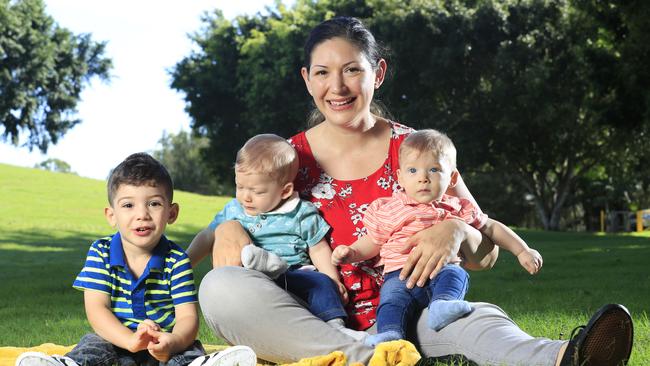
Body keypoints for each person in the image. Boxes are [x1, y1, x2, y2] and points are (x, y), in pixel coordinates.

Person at [188, 16, 633, 366]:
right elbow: (243, 214)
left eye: (351, 70)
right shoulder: (284, 159)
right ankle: (375, 355)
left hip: (414, 309)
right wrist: (228, 230)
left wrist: (456, 229)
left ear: (377, 73)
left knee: (477, 318)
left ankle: (562, 357)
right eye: (323, 73)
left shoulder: (421, 151)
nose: (337, 87)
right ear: (307, 79)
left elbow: (485, 256)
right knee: (220, 288)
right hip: (313, 316)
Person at [15, 153, 257, 366]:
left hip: (163, 342)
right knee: (92, 346)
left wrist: (172, 341)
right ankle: (68, 364)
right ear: (112, 215)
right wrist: (129, 340)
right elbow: (97, 309)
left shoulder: (177, 260)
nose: (142, 215)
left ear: (171, 213)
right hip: (116, 338)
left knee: (188, 350)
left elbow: (187, 317)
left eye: (153, 203)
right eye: (128, 205)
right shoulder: (101, 252)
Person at [331, 129, 543, 347]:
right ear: (400, 177)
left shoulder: (457, 207)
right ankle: (390, 334)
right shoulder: (390, 208)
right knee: (391, 300)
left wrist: (522, 250)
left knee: (456, 274)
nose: (423, 178)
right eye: (412, 171)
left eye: (434, 169)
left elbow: (491, 227)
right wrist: (352, 253)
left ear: (452, 178)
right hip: (400, 275)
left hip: (442, 269)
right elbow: (373, 241)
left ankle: (443, 305)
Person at [189, 134, 365, 340]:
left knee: (320, 283)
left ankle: (336, 327)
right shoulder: (233, 210)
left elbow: (318, 248)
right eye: (240, 187)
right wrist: (185, 263)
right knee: (239, 288)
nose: (245, 196)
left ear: (285, 191)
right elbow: (207, 236)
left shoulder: (301, 212)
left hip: (296, 274)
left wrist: (333, 279)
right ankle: (260, 263)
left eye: (257, 191)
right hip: (257, 281)